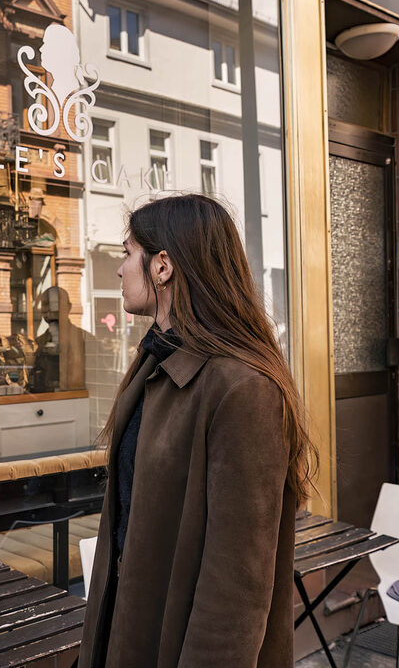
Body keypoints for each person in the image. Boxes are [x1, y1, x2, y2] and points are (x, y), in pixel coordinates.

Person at [75, 194, 316, 668]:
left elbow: (237, 587)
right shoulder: (155, 364)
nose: (119, 270)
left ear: (162, 266)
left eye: (127, 254)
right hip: (130, 633)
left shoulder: (243, 389)